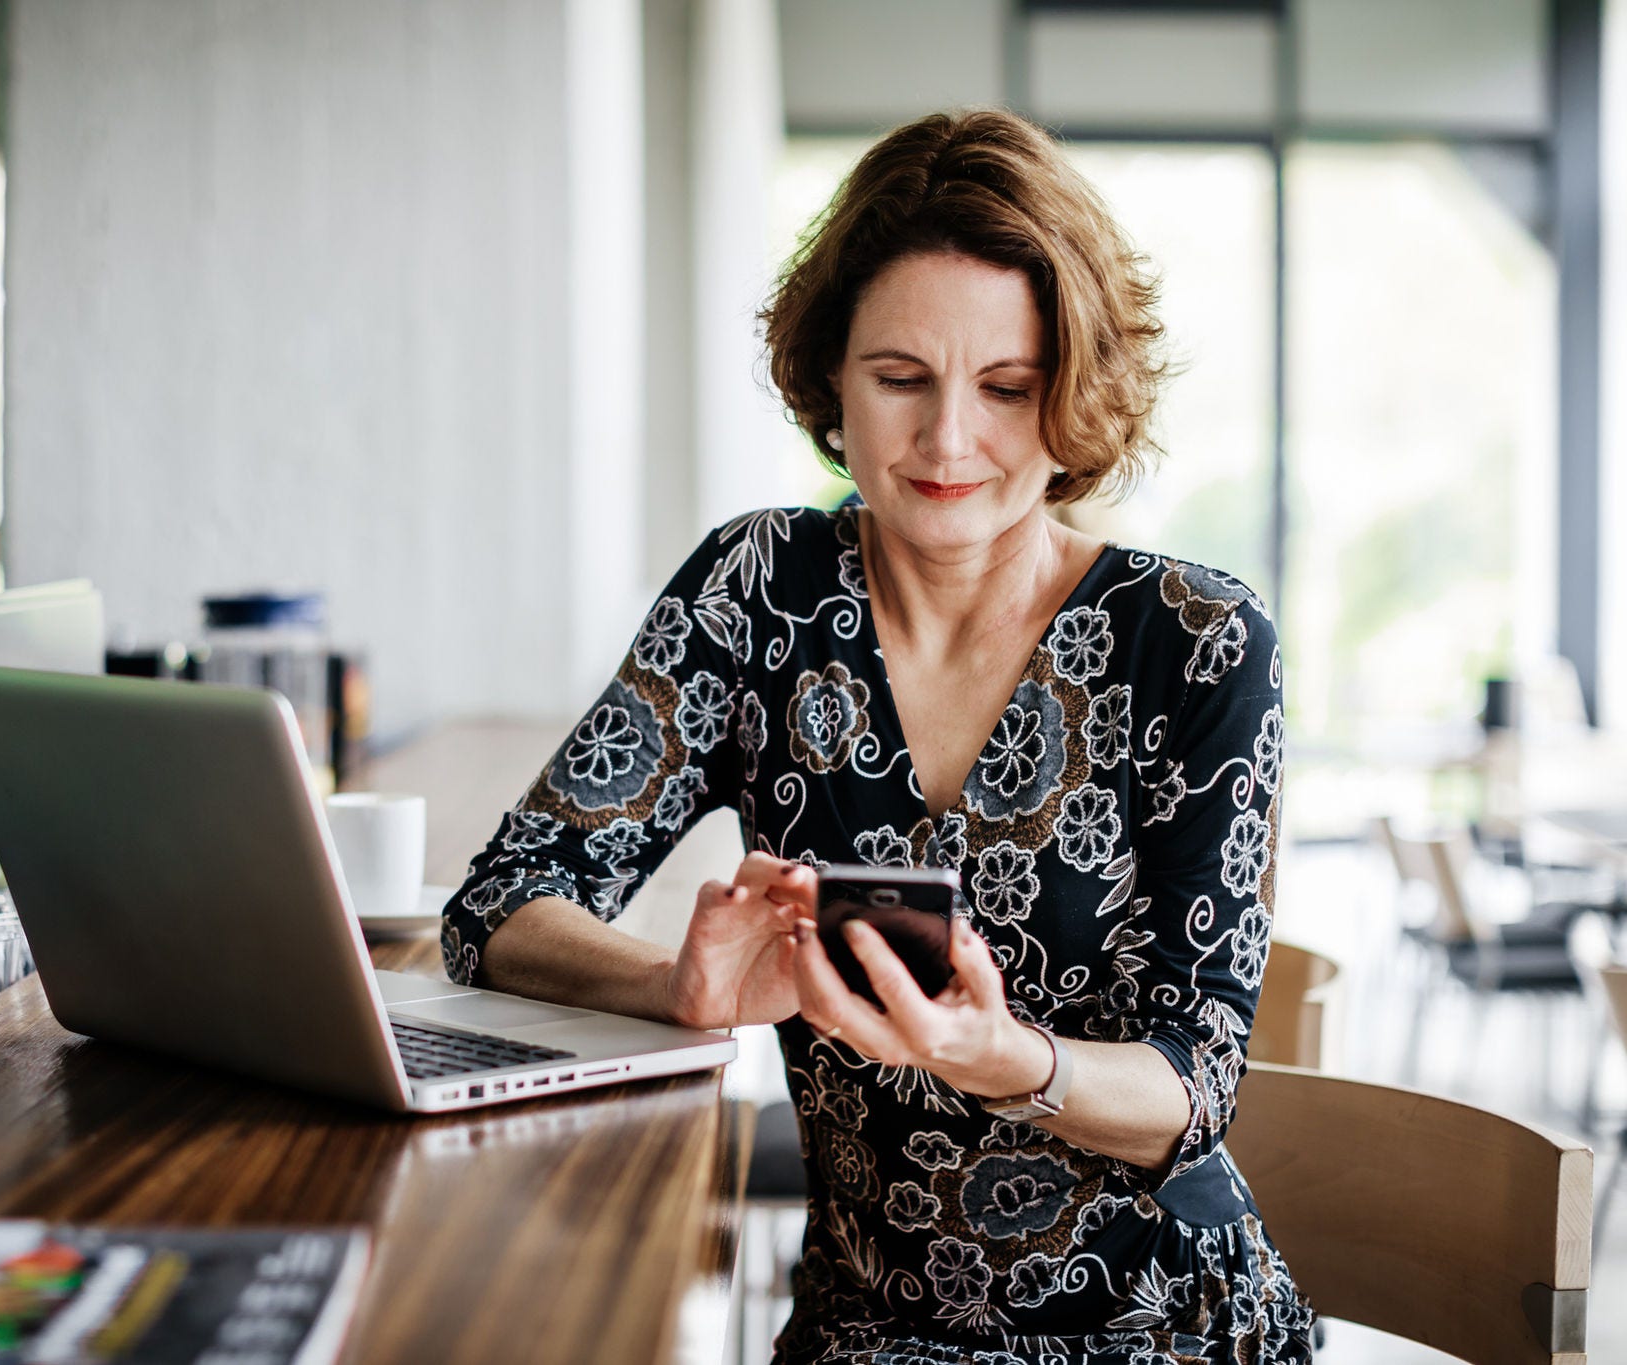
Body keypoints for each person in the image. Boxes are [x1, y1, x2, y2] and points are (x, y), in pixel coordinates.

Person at [440, 108, 1313, 1363]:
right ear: (830, 383)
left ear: (1070, 398)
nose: (946, 441)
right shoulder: (759, 592)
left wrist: (1001, 1056)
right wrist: (677, 991)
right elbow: (502, 903)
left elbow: (1193, 1091)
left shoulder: (1195, 640)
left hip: (1156, 1328)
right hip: (874, 1323)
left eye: (1005, 389)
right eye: (899, 378)